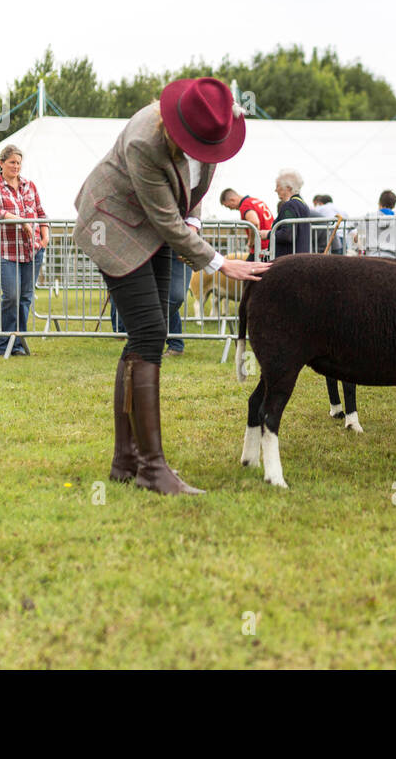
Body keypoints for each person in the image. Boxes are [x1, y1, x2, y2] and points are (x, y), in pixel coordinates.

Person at [74, 77, 268, 495]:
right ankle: (151, 468)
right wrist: (219, 264)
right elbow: (164, 218)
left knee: (149, 334)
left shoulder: (215, 126)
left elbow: (193, 187)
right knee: (148, 333)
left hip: (157, 224)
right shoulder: (145, 141)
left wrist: (194, 222)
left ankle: (126, 460)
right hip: (115, 224)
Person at [0, 144, 49, 356]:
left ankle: (18, 343)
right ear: (1, 163)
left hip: (32, 249)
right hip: (5, 250)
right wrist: (20, 221)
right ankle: (2, 343)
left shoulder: (29, 185)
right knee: (10, 296)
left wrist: (45, 234)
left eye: (19, 163)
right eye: (12, 162)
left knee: (25, 298)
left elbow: (40, 211)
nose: (16, 166)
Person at [219, 187, 274, 260]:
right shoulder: (255, 200)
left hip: (261, 248)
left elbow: (254, 222)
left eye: (229, 206)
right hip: (271, 243)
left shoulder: (245, 205)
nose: (231, 209)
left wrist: (251, 241)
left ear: (232, 200)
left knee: (248, 270)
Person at [271, 169, 313, 257]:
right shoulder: (303, 204)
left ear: (288, 188)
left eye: (278, 186)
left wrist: (267, 234)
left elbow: (287, 235)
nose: (275, 190)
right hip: (301, 256)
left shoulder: (289, 206)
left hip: (288, 260)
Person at [360, 190, 396, 258]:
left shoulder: (369, 217)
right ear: (394, 205)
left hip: (374, 257)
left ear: (379, 203)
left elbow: (350, 225)